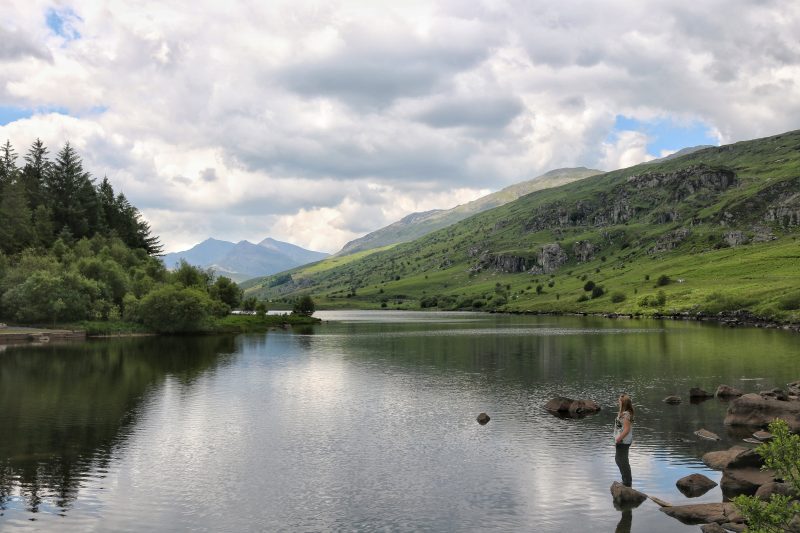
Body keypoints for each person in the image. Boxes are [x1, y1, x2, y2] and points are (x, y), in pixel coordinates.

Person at [614, 393, 634, 487]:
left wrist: (619, 439)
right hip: (621, 440)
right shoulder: (623, 413)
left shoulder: (626, 415)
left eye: (619, 400)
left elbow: (626, 430)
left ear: (623, 403)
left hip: (623, 441)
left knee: (622, 460)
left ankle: (627, 482)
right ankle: (626, 481)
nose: (618, 401)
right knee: (619, 460)